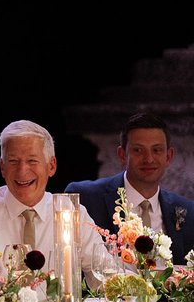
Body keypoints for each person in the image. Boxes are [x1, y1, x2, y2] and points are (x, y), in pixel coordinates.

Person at [0, 120, 108, 283]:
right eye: (13, 161)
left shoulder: (71, 214)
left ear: (51, 166)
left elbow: (104, 278)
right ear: (2, 167)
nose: (22, 170)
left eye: (32, 161)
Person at [65, 112, 194, 264]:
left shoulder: (188, 211)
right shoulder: (85, 198)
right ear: (122, 155)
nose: (149, 159)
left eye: (157, 150)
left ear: (168, 156)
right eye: (138, 150)